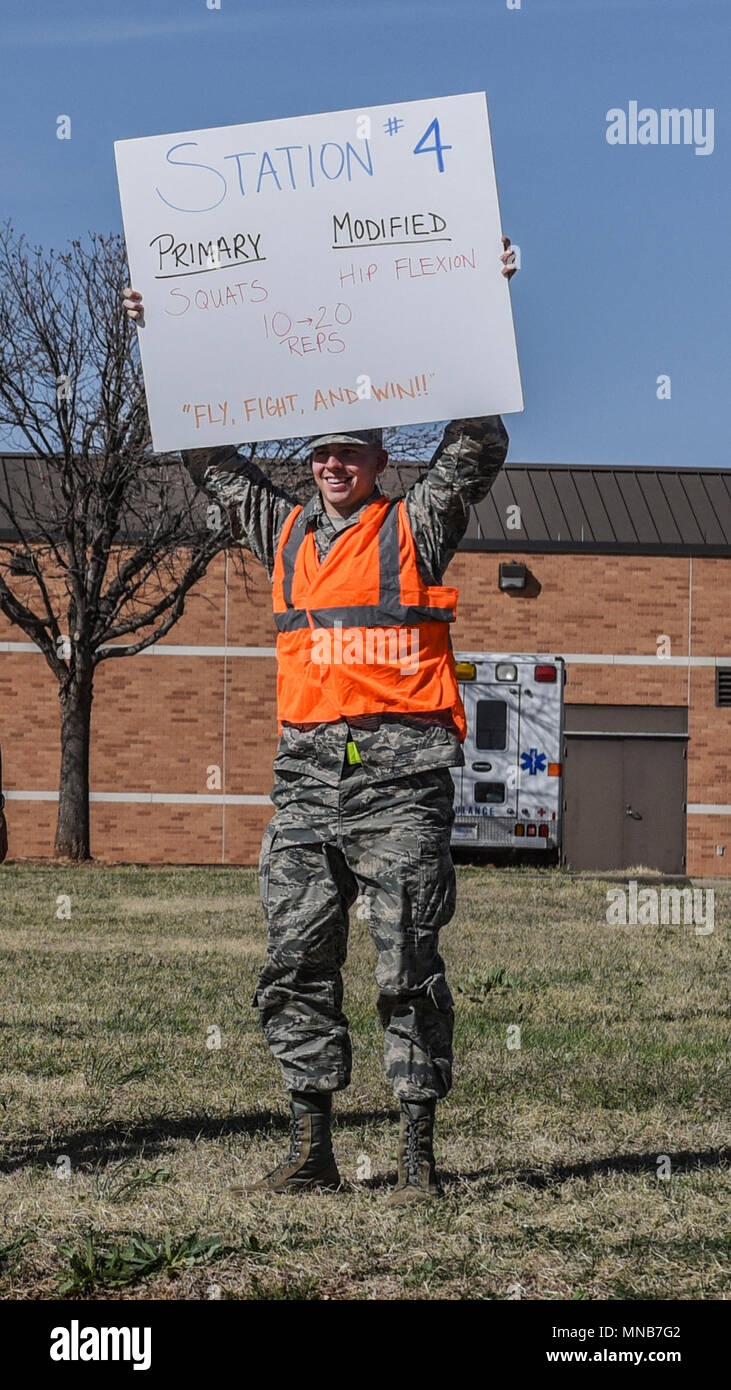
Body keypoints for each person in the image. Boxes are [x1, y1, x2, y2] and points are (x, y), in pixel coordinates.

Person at [122, 238, 516, 1203]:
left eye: (348, 451)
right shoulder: (286, 529)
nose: (332, 463)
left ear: (380, 459)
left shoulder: (415, 523)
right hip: (305, 783)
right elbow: (209, 456)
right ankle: (312, 1153)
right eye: (319, 452)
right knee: (294, 960)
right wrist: (161, 334)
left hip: (399, 783)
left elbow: (477, 442)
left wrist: (483, 301)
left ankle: (416, 1156)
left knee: (406, 962)